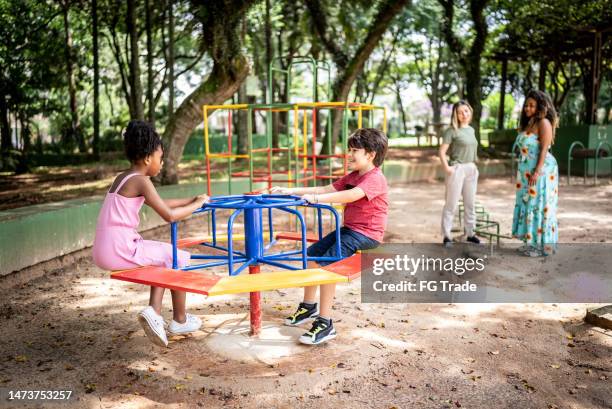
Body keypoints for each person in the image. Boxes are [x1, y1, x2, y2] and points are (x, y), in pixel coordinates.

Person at [92, 120, 209, 347]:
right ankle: (178, 319)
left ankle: (157, 312)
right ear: (148, 158)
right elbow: (170, 215)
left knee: (162, 254)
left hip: (104, 248)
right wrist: (197, 205)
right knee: (177, 257)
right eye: (160, 158)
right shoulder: (142, 181)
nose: (161, 163)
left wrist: (194, 199)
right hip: (121, 247)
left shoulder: (124, 177)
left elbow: (161, 202)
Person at [270, 128, 389, 345]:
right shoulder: (353, 175)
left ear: (370, 155)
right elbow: (326, 188)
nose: (349, 155)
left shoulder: (375, 178)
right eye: (349, 150)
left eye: (355, 151)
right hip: (350, 230)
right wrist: (289, 190)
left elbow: (352, 195)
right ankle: (308, 307)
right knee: (312, 256)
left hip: (367, 234)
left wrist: (316, 199)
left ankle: (325, 323)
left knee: (327, 266)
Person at [512, 90, 559, 256]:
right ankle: (530, 242)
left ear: (540, 106)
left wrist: (537, 172)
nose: (527, 108)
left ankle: (541, 247)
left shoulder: (544, 123)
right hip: (527, 171)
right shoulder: (529, 123)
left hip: (542, 170)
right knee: (528, 204)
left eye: (532, 105)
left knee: (539, 205)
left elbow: (544, 149)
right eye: (526, 105)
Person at [439, 100, 480, 247]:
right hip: (457, 169)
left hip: (471, 169)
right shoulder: (452, 131)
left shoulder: (471, 130)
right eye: (460, 112)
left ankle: (470, 233)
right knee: (451, 204)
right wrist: (447, 168)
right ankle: (447, 236)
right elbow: (442, 152)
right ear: (455, 115)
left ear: (470, 112)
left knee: (470, 204)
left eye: (466, 111)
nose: (464, 114)